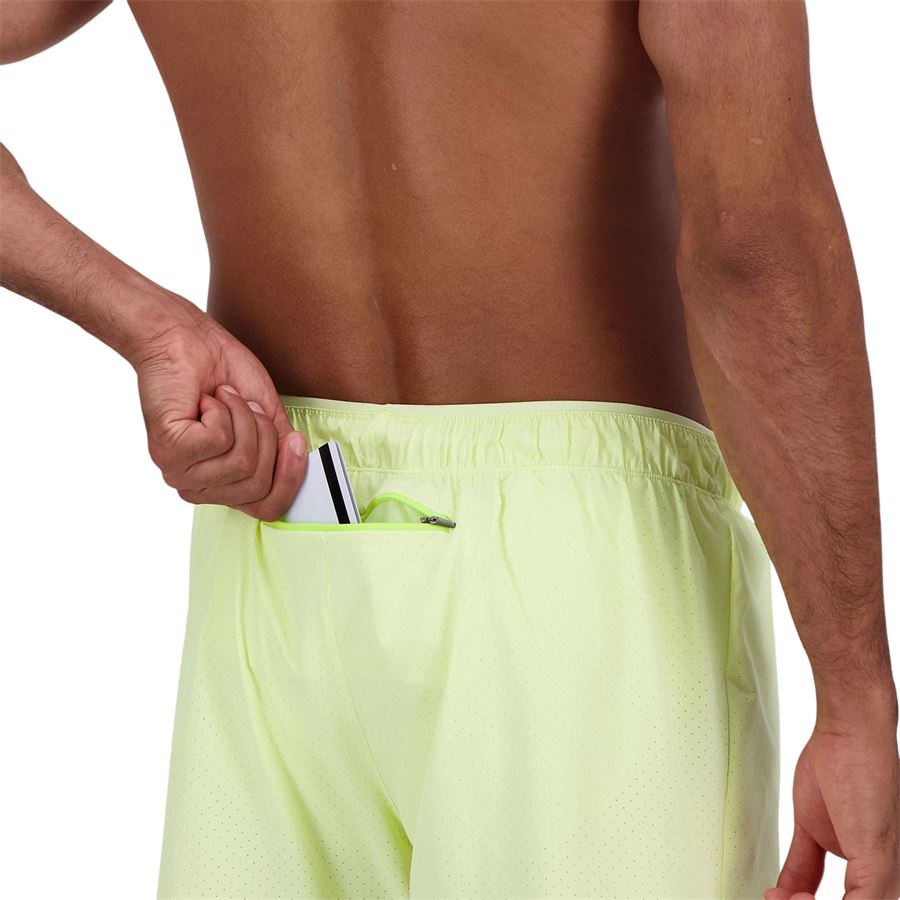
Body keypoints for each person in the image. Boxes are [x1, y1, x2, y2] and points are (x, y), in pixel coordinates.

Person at [1, 1, 897, 898]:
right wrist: (854, 699)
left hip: (280, 525)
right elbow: (750, 242)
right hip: (585, 579)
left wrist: (151, 329)